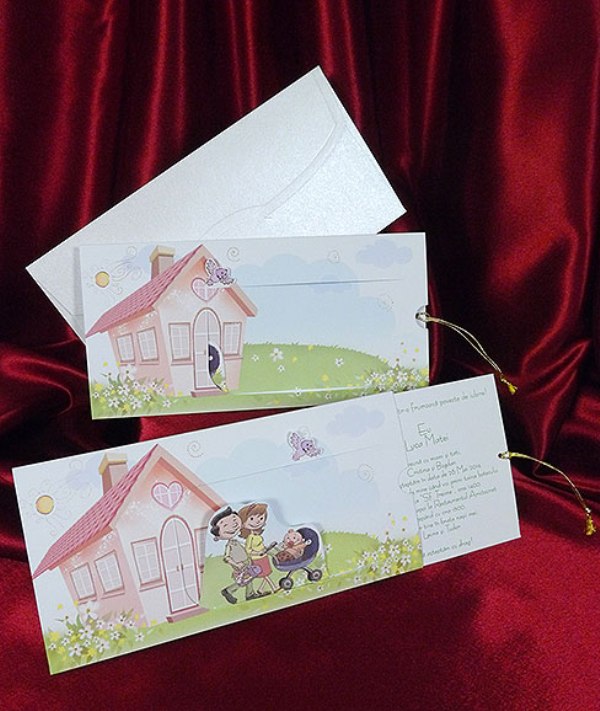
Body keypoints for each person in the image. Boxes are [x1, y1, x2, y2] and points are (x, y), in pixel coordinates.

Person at [210, 506, 257, 604]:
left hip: (246, 562)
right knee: (244, 580)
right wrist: (236, 564)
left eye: (234, 520)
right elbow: (226, 558)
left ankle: (250, 594)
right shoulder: (229, 545)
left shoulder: (236, 541)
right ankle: (228, 590)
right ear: (217, 536)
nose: (233, 525)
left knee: (250, 578)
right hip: (240, 565)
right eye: (225, 525)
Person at [239, 502, 277, 595]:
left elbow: (261, 546)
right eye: (252, 519)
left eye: (261, 518)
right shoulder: (250, 537)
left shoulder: (257, 535)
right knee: (265, 575)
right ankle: (274, 588)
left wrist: (266, 549)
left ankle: (261, 589)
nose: (257, 522)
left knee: (267, 573)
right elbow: (248, 550)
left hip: (263, 557)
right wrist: (257, 553)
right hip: (257, 559)